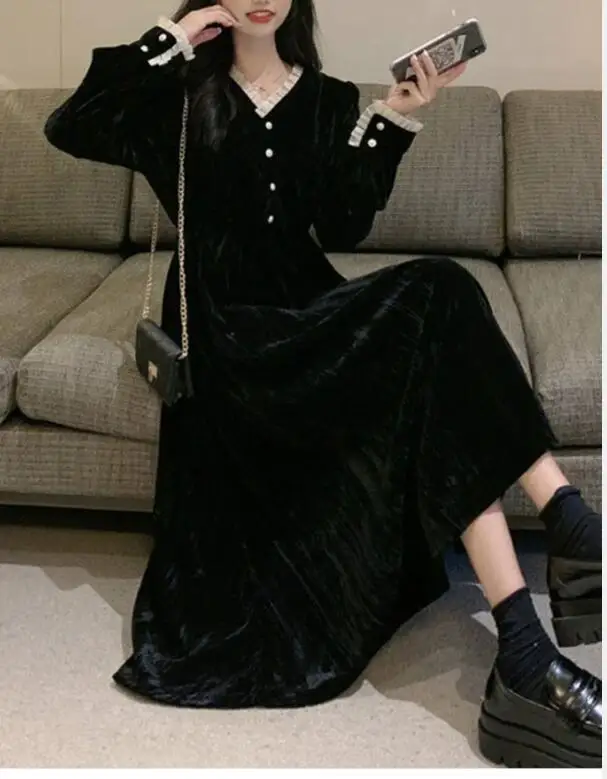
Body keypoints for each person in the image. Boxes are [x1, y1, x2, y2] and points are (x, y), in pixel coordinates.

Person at [44, 0, 601, 768]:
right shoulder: (176, 91)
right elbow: (72, 124)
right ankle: (563, 552)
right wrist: (172, 39)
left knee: (438, 299)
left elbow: (340, 225)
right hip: (226, 337)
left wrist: (396, 116)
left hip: (308, 314)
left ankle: (528, 628)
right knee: (435, 320)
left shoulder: (329, 99)